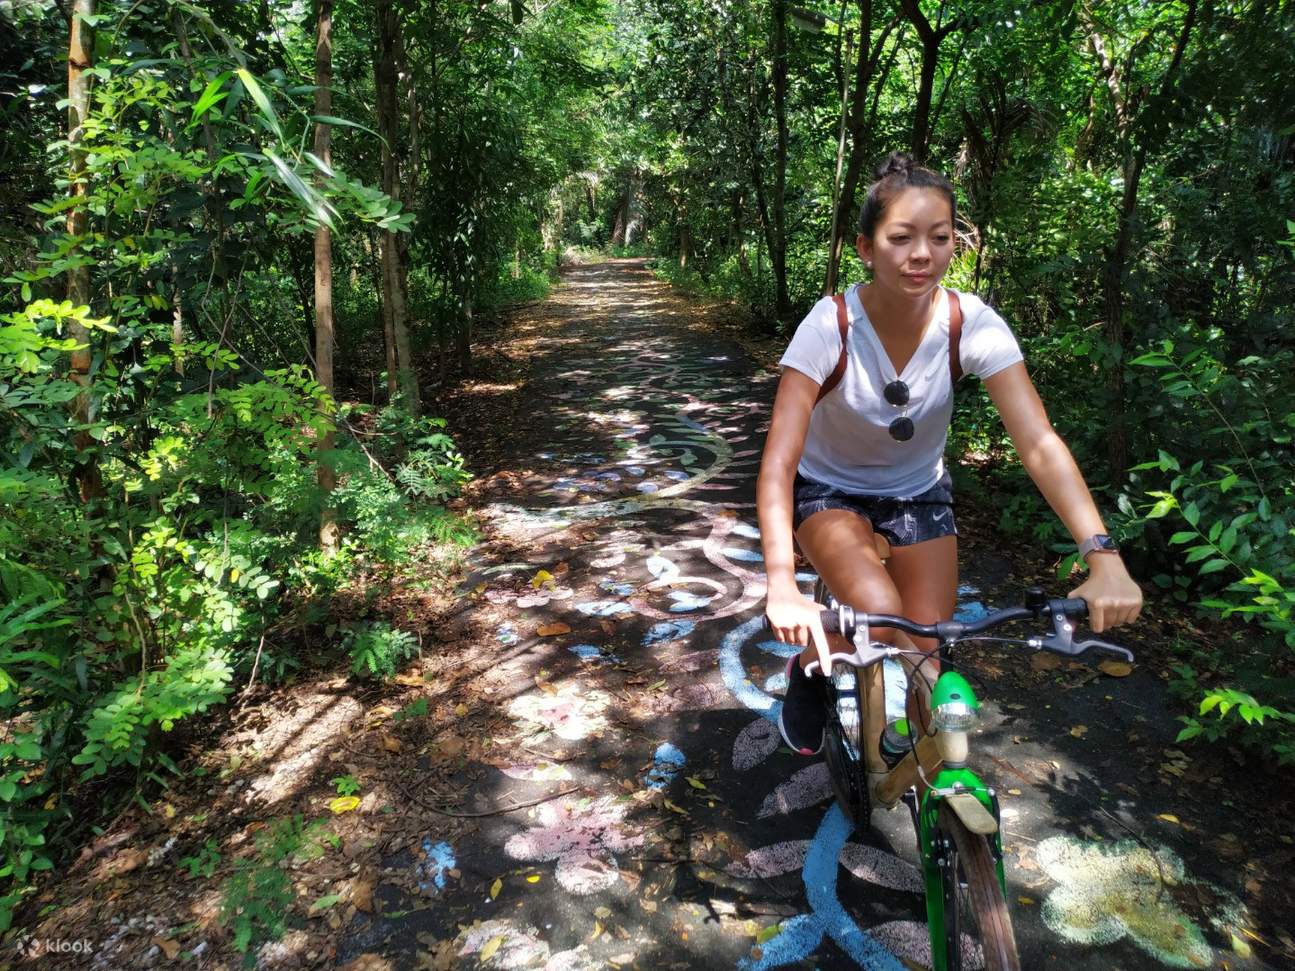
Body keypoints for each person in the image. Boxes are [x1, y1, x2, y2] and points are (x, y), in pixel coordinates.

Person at [757, 152, 1144, 755]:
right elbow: (779, 459)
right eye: (901, 238)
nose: (922, 254)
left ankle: (931, 791)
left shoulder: (973, 324)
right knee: (882, 613)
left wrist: (1103, 555)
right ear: (865, 247)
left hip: (918, 493)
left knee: (928, 650)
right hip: (829, 491)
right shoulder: (828, 327)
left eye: (939, 238)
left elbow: (1038, 443)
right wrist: (782, 581)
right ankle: (810, 671)